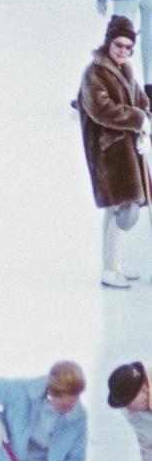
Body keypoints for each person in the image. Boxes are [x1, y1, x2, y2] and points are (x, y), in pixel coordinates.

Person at [78, 14, 150, 287]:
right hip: (108, 152)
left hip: (127, 150)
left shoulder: (126, 70)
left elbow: (141, 100)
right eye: (118, 44)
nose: (123, 50)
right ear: (109, 43)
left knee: (115, 208)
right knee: (126, 208)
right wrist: (137, 119)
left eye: (127, 47)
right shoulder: (95, 72)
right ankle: (109, 270)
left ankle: (112, 265)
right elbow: (101, 109)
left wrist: (145, 121)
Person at [107, 360, 152, 461]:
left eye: (129, 404)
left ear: (143, 389)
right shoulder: (134, 414)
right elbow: (148, 447)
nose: (130, 411)